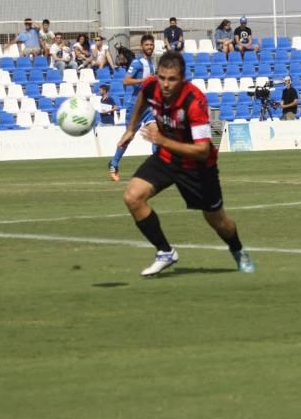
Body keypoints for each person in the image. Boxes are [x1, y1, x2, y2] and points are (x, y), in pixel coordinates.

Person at [117, 50, 255, 277]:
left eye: (171, 79)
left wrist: (161, 139)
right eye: (162, 77)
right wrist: (131, 129)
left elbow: (202, 150)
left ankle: (238, 250)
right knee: (132, 196)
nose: (165, 84)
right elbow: (143, 96)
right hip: (166, 158)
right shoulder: (152, 85)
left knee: (217, 221)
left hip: (197, 168)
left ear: (182, 79)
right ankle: (165, 252)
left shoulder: (194, 102)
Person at [109, 34, 156, 182]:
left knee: (156, 134)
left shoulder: (151, 63)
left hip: (148, 106)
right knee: (128, 137)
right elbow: (126, 80)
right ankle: (114, 164)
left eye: (151, 44)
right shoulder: (137, 63)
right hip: (135, 106)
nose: (150, 47)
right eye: (147, 45)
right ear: (142, 46)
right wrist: (144, 80)